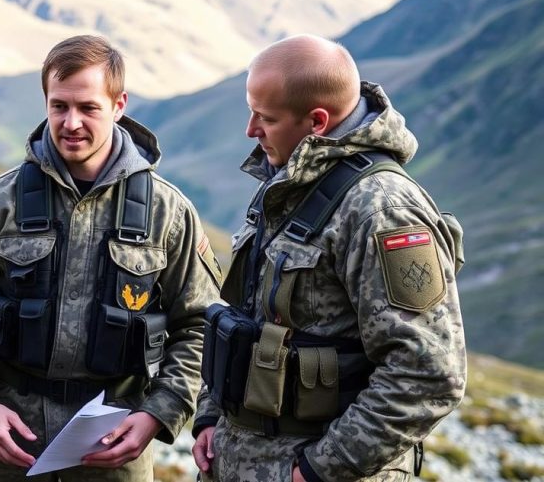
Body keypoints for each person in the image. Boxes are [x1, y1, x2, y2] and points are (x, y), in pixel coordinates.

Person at [0, 34, 223, 481]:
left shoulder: (169, 213)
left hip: (114, 445)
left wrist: (156, 415)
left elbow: (202, 325)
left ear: (119, 104)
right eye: (59, 106)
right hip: (13, 441)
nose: (71, 123)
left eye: (88, 107)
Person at [192, 34, 465, 481]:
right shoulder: (289, 185)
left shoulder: (382, 210)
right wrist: (212, 416)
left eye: (265, 117)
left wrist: (320, 469)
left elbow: (427, 371)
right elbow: (246, 319)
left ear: (317, 121)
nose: (250, 130)